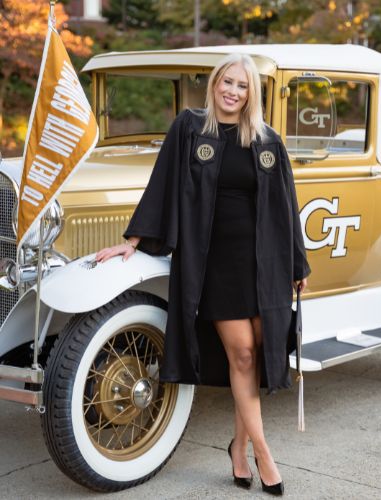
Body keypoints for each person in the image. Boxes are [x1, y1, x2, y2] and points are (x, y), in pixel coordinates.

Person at [95, 52, 310, 496]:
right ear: (214, 85)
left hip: (263, 262)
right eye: (226, 82)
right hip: (213, 262)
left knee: (254, 354)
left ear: (253, 94)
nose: (232, 91)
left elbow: (286, 205)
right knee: (244, 355)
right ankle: (264, 455)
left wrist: (297, 263)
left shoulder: (267, 141)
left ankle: (237, 447)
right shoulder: (190, 129)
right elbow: (162, 184)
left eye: (242, 85)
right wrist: (133, 241)